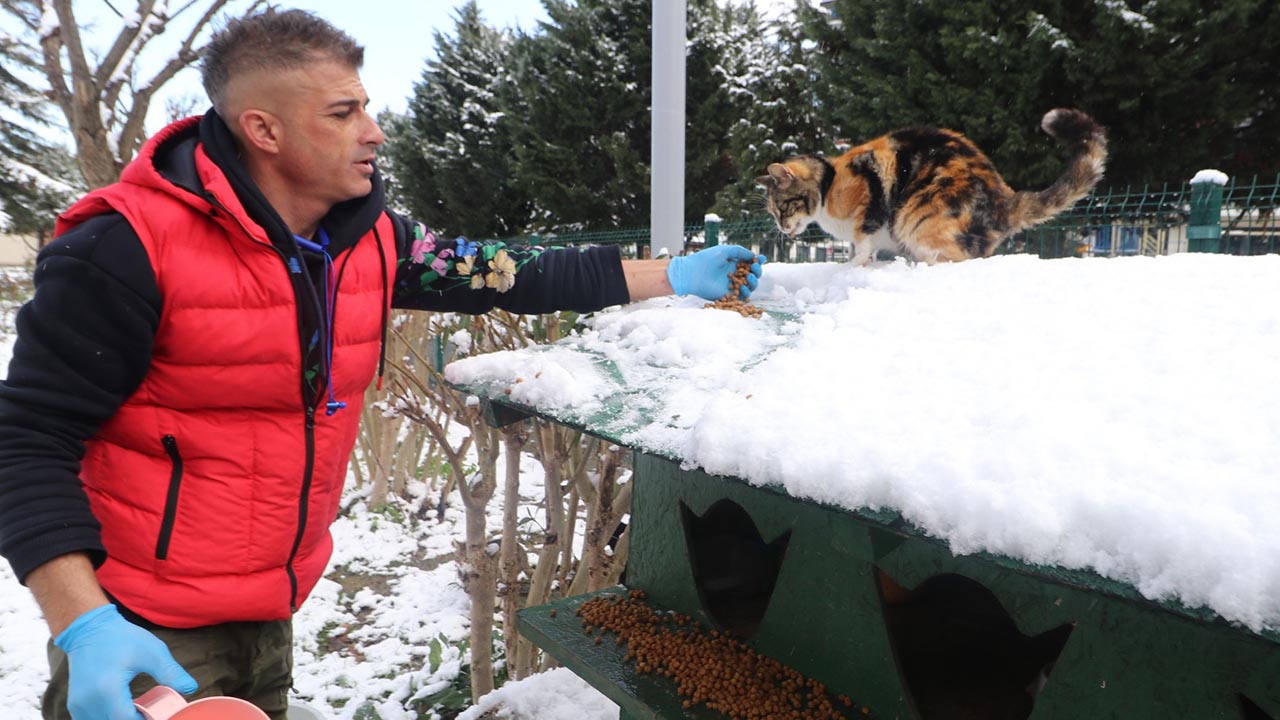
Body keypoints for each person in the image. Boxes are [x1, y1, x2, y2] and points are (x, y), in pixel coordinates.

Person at [0, 8, 764, 720]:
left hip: (272, 605)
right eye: (343, 113)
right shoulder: (124, 248)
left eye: (366, 105)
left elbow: (506, 273)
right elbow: (26, 436)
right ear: (262, 129)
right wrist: (85, 624)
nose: (375, 132)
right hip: (139, 623)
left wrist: (671, 275)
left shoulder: (367, 238)